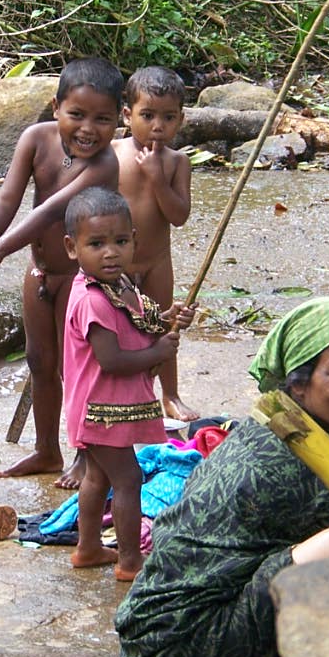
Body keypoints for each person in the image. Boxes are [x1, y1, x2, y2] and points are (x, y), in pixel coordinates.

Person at [115, 297, 329, 657]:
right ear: (299, 384)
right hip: (179, 651)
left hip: (155, 631)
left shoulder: (275, 421)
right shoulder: (287, 464)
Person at [0, 57, 124, 485]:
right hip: (41, 272)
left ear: (118, 122)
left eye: (102, 119)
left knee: (80, 369)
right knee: (39, 361)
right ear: (56, 108)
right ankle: (46, 450)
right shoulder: (34, 139)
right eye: (77, 115)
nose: (88, 129)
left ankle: (88, 453)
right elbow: (7, 200)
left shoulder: (105, 164)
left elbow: (52, 211)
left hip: (81, 281)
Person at [61, 186, 195, 581]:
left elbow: (141, 320)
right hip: (100, 408)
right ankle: (130, 561)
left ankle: (88, 548)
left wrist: (170, 316)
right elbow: (113, 360)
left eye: (120, 241)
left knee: (99, 476)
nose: (110, 253)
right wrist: (158, 354)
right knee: (128, 477)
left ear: (134, 240)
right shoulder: (91, 300)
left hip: (108, 408)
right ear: (73, 248)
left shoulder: (119, 286)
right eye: (96, 244)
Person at [113, 66, 199, 423]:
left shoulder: (177, 162)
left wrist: (158, 181)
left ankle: (171, 395)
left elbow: (179, 216)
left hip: (156, 262)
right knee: (118, 327)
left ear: (181, 119)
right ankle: (121, 392)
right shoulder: (112, 153)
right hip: (116, 264)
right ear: (127, 115)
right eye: (147, 116)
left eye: (168, 117)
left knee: (166, 327)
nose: (157, 126)